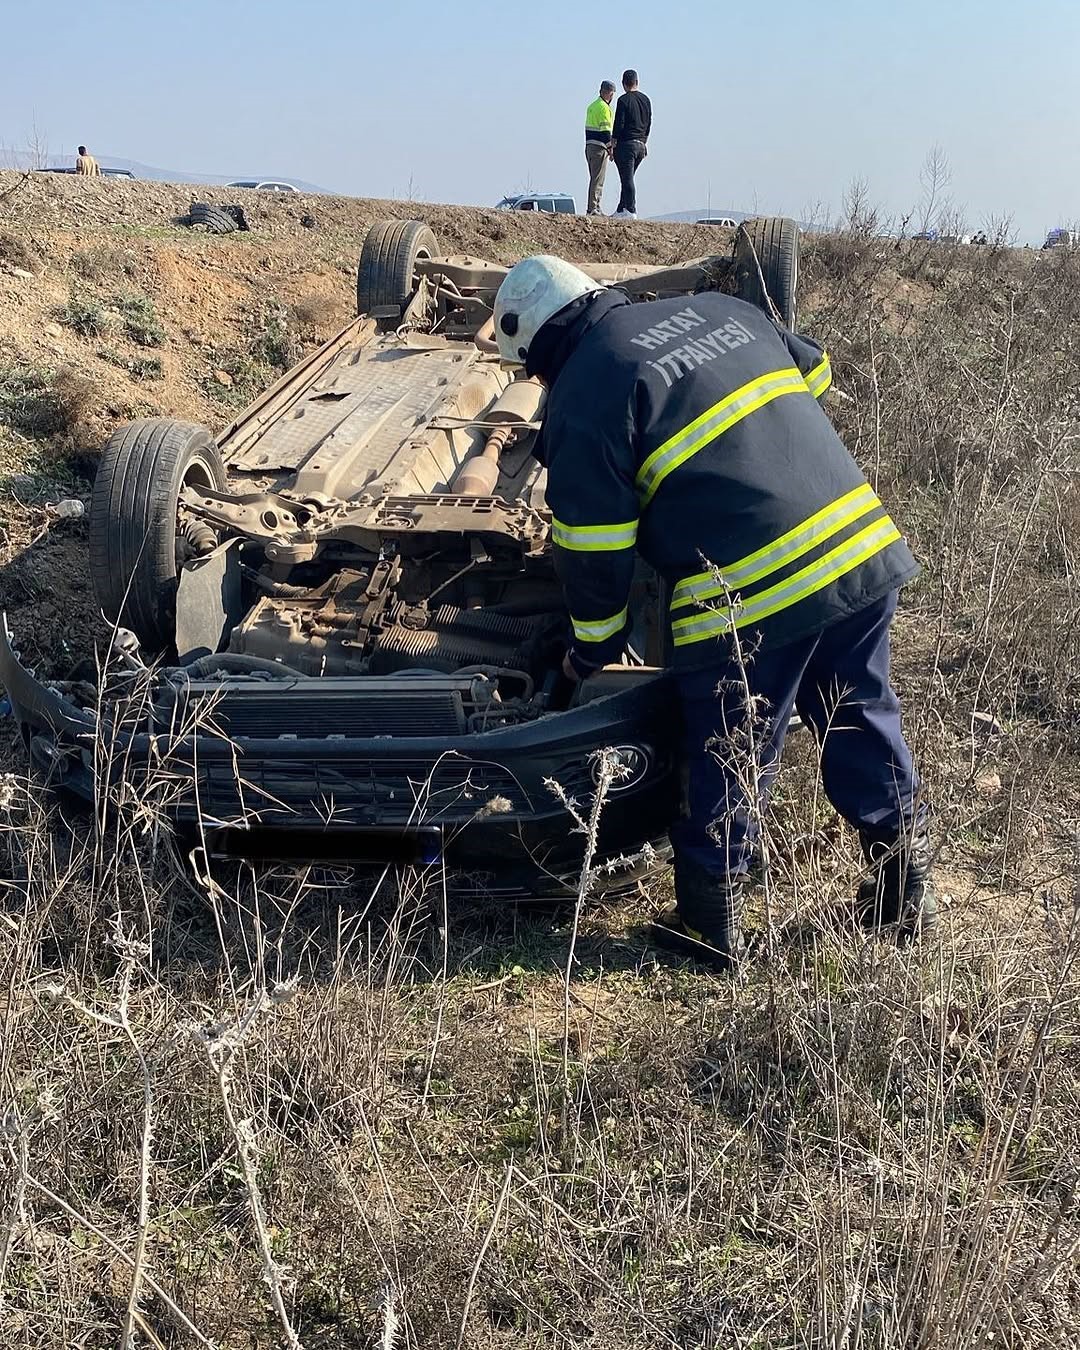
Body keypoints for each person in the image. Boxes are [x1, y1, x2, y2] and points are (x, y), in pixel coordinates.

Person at [493, 255, 935, 969]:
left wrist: (590, 649)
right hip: (858, 550)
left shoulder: (586, 386)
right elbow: (813, 378)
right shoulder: (724, 309)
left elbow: (595, 547)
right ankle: (904, 888)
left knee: (729, 755)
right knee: (860, 712)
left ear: (541, 347)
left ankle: (710, 929)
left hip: (750, 597)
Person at [611, 70, 651, 218]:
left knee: (627, 179)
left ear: (623, 84)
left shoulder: (623, 100)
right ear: (637, 82)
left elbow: (619, 123)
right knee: (627, 177)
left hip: (626, 145)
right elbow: (649, 122)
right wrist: (644, 140)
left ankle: (631, 210)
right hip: (641, 144)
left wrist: (613, 142)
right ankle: (621, 208)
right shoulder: (646, 100)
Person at [584, 80, 616, 216]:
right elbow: (605, 131)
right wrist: (610, 149)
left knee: (594, 178)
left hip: (589, 146)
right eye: (612, 93)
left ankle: (592, 206)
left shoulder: (592, 106)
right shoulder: (604, 108)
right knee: (598, 179)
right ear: (608, 93)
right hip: (599, 148)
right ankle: (594, 207)